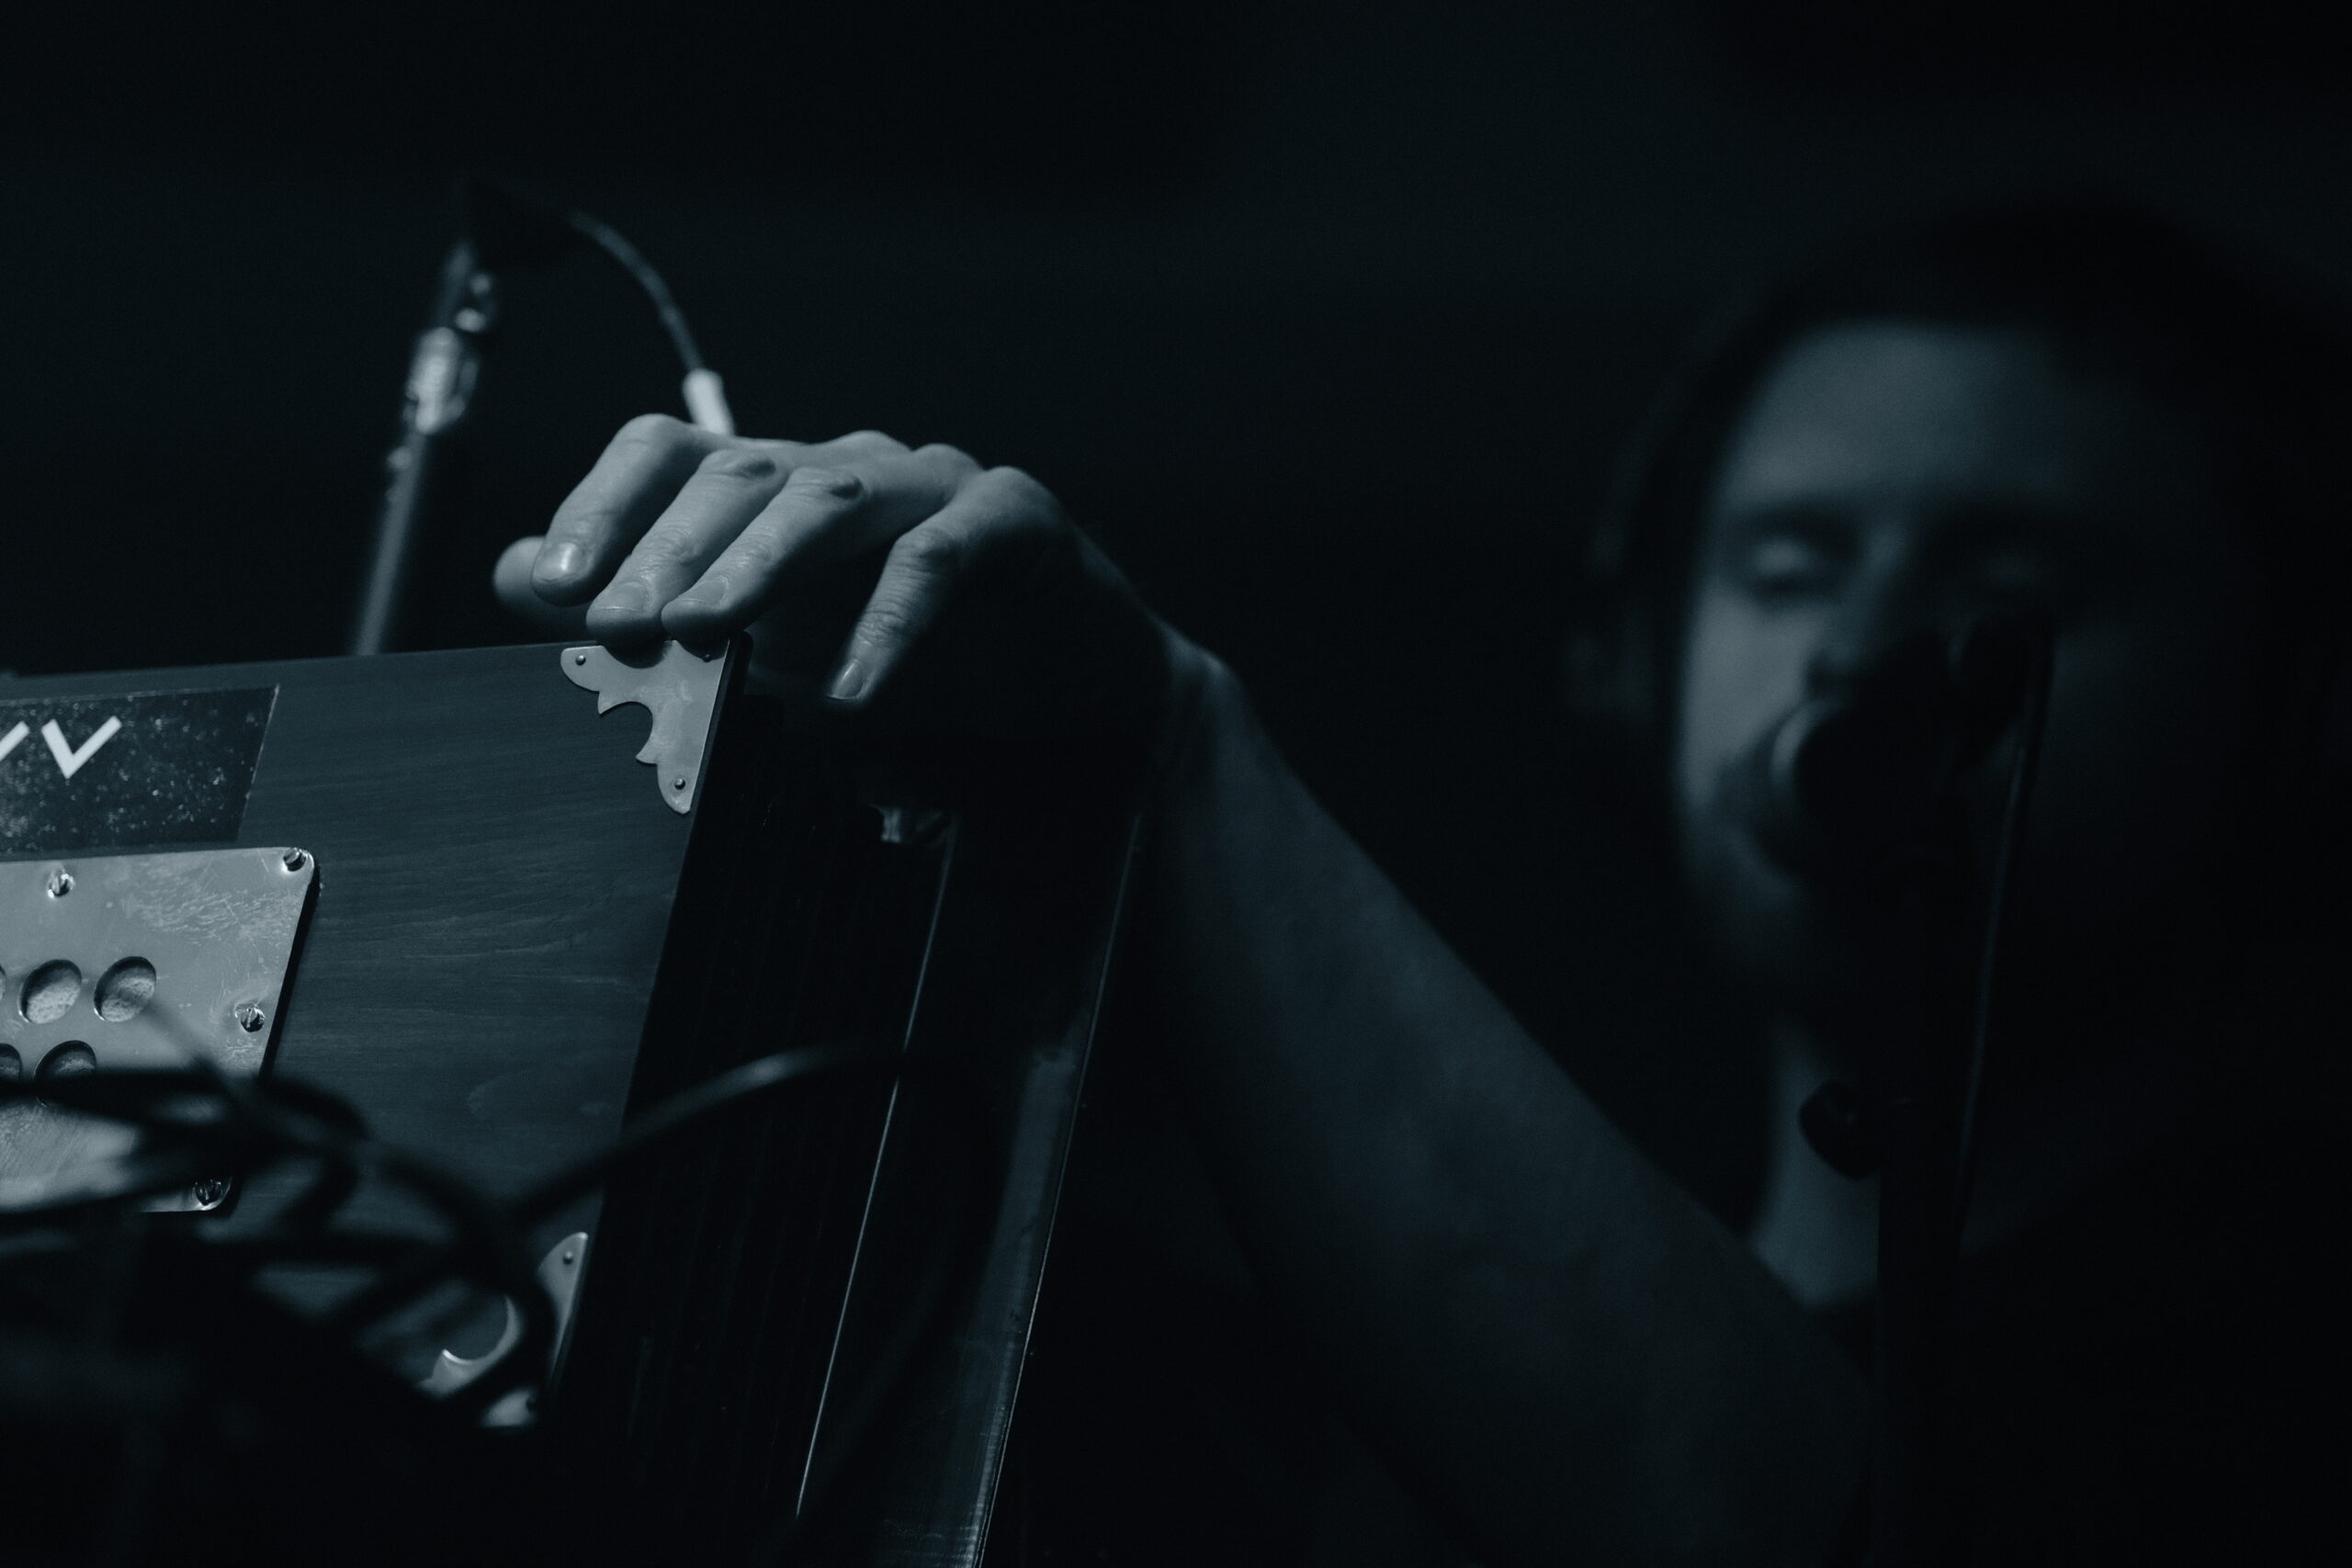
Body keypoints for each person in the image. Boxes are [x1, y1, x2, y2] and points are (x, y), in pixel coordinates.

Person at [492, 204, 2346, 1564]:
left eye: (2008, 584)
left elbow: (1771, 1524)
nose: (1860, 654)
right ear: (1632, 658)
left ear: (2287, 695)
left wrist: (1171, 742)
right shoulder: (1346, 1379)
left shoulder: (2276, 1372)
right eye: (1789, 563)